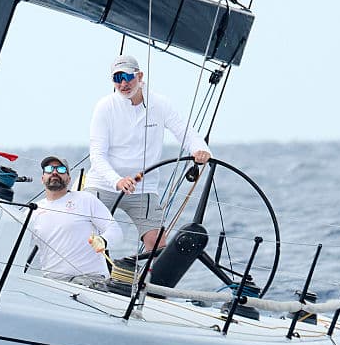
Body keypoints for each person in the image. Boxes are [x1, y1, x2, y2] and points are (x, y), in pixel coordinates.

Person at [85, 54, 211, 251]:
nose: (124, 83)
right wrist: (117, 180)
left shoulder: (160, 104)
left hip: (143, 187)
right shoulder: (105, 107)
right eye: (117, 78)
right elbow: (97, 155)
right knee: (88, 238)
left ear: (140, 75)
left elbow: (184, 132)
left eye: (128, 76)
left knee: (157, 243)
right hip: (103, 184)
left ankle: (150, 271)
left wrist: (200, 150)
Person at [30, 156, 122, 286]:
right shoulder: (33, 210)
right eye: (49, 169)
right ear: (42, 178)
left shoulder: (86, 199)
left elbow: (115, 230)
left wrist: (103, 240)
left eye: (61, 169)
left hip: (90, 279)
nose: (54, 172)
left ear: (69, 179)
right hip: (51, 282)